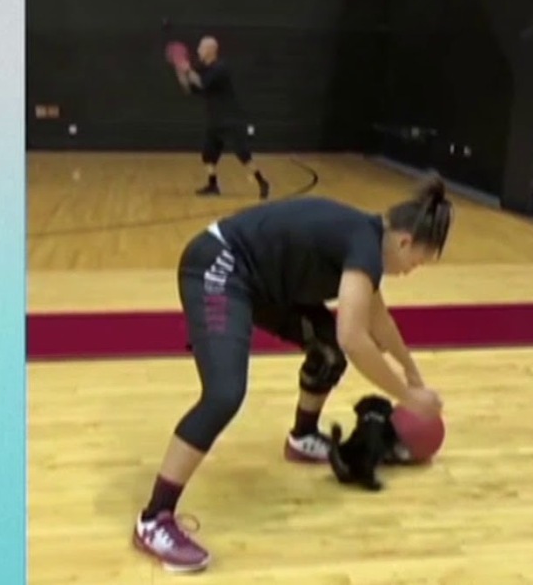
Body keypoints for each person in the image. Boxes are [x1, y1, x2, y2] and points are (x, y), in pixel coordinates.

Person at [132, 175, 453, 573]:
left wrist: (412, 372)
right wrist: (407, 398)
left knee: (327, 348)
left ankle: (302, 438)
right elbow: (354, 337)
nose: (411, 270)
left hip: (262, 286)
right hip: (218, 266)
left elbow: (378, 322)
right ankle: (154, 519)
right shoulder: (364, 246)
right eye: (417, 261)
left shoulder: (365, 240)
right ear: (404, 242)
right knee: (224, 394)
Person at [172, 35, 270, 200]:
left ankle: (262, 182)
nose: (198, 50)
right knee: (208, 155)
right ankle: (213, 185)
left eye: (201, 47)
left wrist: (187, 69)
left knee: (242, 153)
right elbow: (189, 88)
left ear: (211, 50)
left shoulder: (220, 68)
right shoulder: (203, 68)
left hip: (230, 118)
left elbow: (202, 83)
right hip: (214, 119)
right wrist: (180, 71)